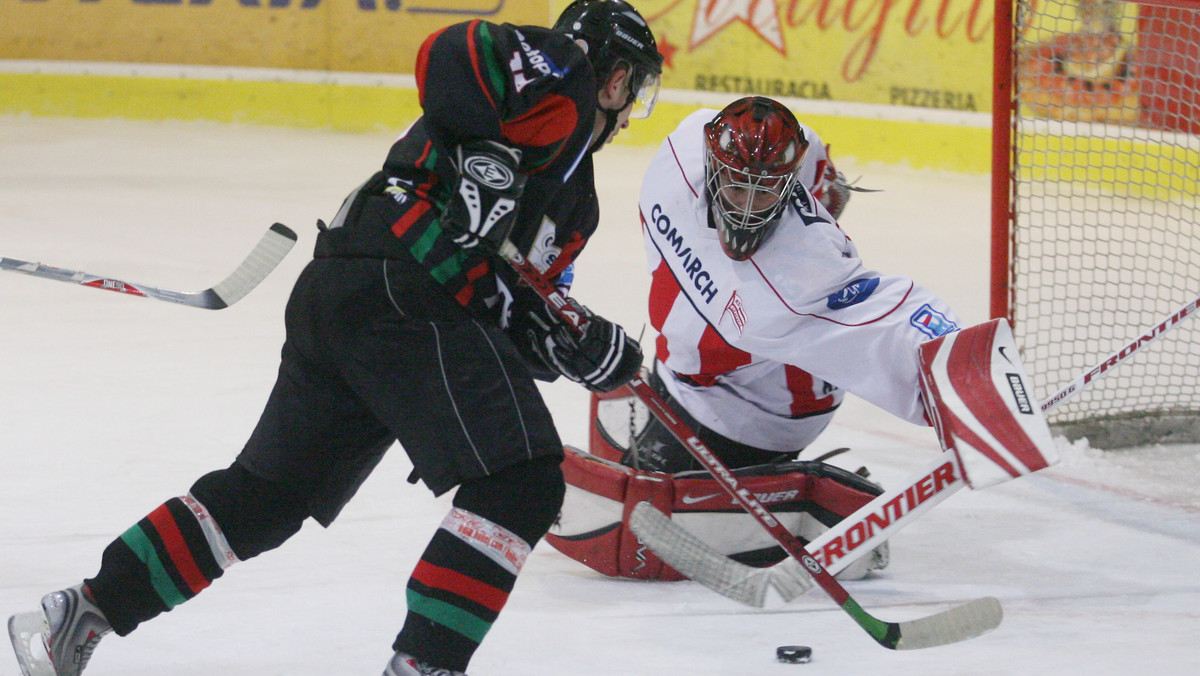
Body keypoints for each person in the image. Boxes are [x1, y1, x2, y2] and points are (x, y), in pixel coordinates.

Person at [6, 2, 663, 675]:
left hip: (359, 299)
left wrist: (570, 343)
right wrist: (490, 155)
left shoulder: (574, 202)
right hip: (398, 283)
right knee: (520, 481)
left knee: (265, 501)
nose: (628, 108)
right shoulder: (559, 76)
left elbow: (512, 305)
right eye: (634, 87)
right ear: (614, 75)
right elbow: (449, 52)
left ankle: (83, 612)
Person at [545, 96, 958, 581]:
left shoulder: (805, 265)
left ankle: (810, 503)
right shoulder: (681, 154)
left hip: (763, 411)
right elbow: (789, 144)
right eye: (736, 185)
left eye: (765, 191)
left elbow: (888, 316)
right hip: (684, 378)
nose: (746, 204)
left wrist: (963, 376)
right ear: (711, 164)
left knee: (637, 527)